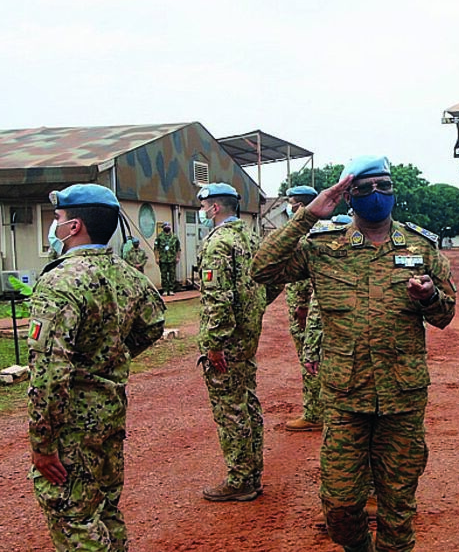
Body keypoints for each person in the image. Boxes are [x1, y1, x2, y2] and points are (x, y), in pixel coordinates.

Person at [252, 156, 456, 552]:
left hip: (402, 398)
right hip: (347, 397)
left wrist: (429, 297)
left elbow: (446, 316)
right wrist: (307, 216)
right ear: (348, 196)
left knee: (398, 508)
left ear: (394, 191)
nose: (376, 195)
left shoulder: (421, 246)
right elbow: (261, 269)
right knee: (341, 505)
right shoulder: (324, 248)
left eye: (384, 186)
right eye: (364, 189)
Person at [27, 183, 165, 551]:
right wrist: (108, 358)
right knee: (105, 507)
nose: (53, 227)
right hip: (109, 410)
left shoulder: (59, 281)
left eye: (57, 219)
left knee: (74, 518)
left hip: (72, 423)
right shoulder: (129, 275)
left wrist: (42, 442)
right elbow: (153, 324)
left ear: (74, 227)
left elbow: (49, 372)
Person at [195, 182, 279, 502]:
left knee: (231, 411)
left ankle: (241, 478)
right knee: (247, 405)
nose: (202, 213)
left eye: (204, 207)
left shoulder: (219, 243)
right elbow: (270, 282)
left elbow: (217, 298)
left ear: (215, 208)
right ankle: (252, 472)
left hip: (227, 343)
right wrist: (254, 314)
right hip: (245, 337)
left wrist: (214, 344)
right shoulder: (250, 236)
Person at [283, 185, 325, 432]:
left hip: (308, 313)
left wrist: (301, 307)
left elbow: (303, 277)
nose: (289, 207)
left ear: (300, 205)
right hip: (313, 310)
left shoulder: (305, 234)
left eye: (291, 202)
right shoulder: (322, 231)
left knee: (310, 361)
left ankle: (313, 413)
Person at [154, 222, 181, 296]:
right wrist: (157, 258)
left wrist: (178, 257)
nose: (167, 227)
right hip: (163, 259)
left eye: (168, 225)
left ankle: (171, 289)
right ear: (163, 228)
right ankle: (165, 290)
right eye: (165, 226)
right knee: (164, 275)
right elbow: (156, 248)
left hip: (172, 259)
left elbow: (178, 248)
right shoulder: (159, 237)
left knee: (172, 275)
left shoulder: (174, 237)